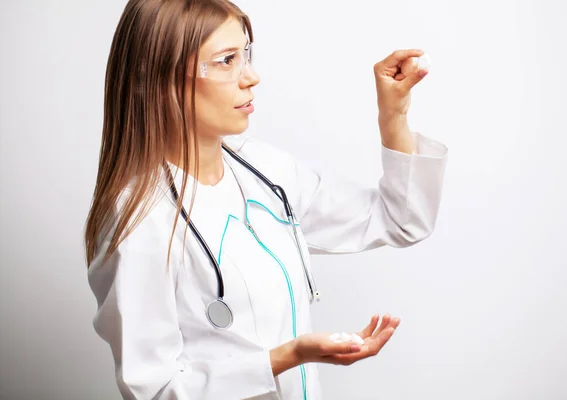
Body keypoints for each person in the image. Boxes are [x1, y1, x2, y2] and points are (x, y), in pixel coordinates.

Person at [84, 0, 448, 399]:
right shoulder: (137, 221)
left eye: (246, 55)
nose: (251, 77)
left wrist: (392, 117)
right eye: (226, 61)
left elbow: (401, 219)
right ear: (159, 79)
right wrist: (285, 357)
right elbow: (154, 391)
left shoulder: (266, 172)